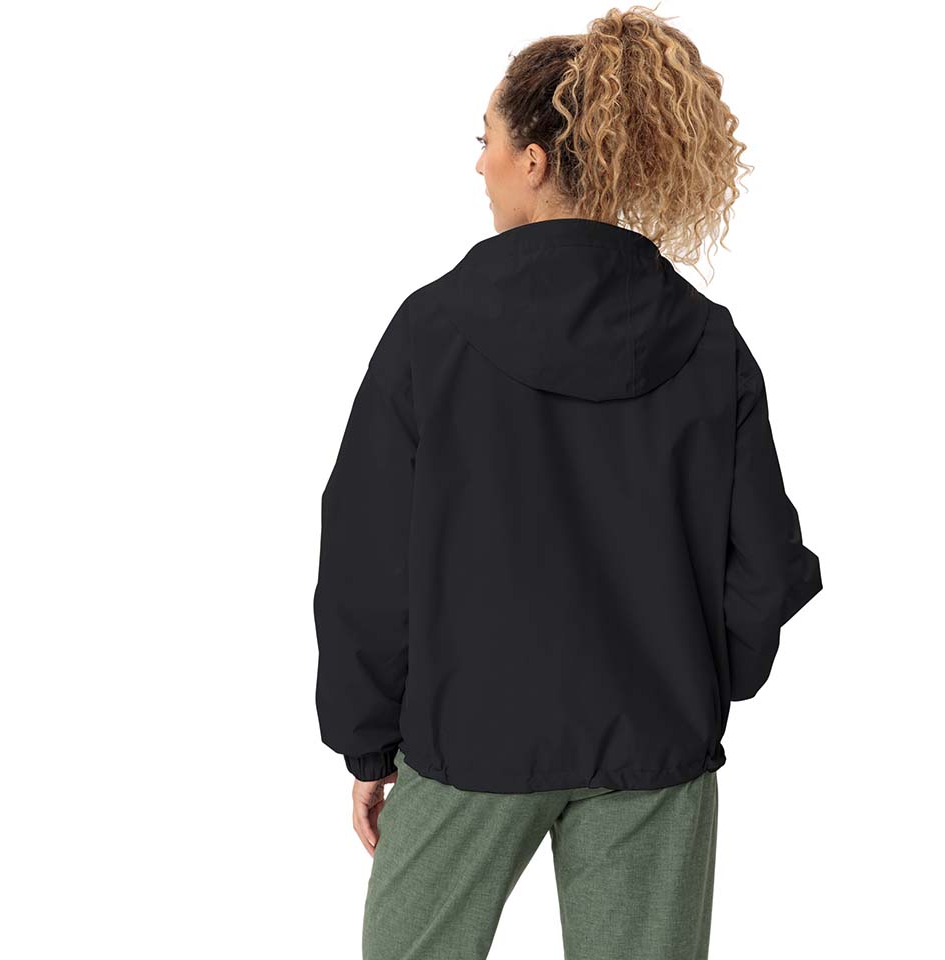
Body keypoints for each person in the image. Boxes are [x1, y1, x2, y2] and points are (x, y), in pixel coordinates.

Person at [313, 6, 823, 958]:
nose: (479, 165)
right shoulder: (709, 342)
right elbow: (767, 563)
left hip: (469, 738)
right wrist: (694, 680)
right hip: (654, 741)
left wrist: (367, 740)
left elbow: (365, 558)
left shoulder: (432, 332)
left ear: (536, 161)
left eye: (486, 140)